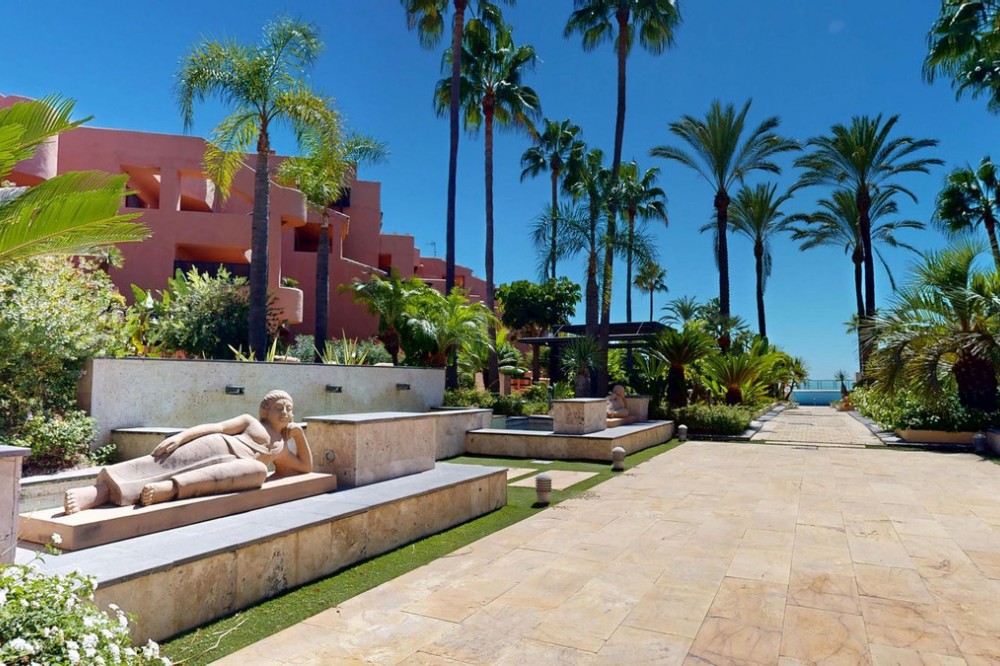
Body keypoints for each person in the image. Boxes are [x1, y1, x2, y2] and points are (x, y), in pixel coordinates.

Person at [64, 390, 313, 514]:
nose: (285, 412)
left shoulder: (280, 448)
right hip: (216, 445)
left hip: (233, 469)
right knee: (159, 463)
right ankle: (97, 492)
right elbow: (217, 427)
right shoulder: (250, 421)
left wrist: (299, 436)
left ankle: (169, 489)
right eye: (279, 407)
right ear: (265, 412)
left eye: (289, 409)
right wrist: (181, 437)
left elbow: (305, 467)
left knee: (257, 470)